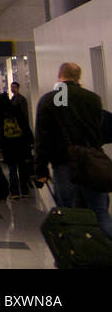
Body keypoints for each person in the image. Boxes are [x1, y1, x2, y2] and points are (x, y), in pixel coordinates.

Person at [34, 62, 111, 239]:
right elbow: (99, 129)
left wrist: (40, 169)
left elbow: (42, 138)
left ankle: (77, 254)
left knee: (69, 214)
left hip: (64, 163)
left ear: (59, 75)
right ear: (79, 77)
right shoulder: (93, 98)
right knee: (100, 213)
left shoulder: (49, 100)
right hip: (92, 163)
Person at [0, 91, 34, 201]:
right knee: (22, 166)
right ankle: (24, 190)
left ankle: (14, 193)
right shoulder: (16, 110)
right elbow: (24, 125)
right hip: (21, 142)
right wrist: (31, 140)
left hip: (7, 144)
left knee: (12, 168)